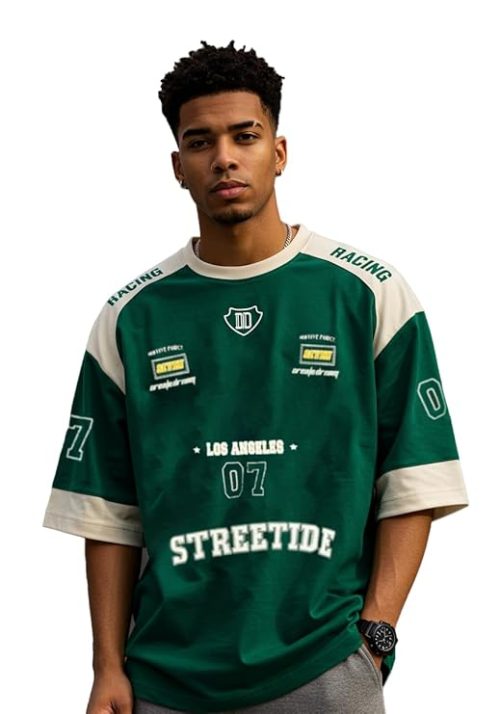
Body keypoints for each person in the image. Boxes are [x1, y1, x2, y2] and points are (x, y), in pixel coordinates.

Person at [42, 40, 469, 714]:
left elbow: (417, 477)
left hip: (324, 665)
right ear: (177, 166)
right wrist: (106, 667)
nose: (224, 158)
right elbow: (108, 511)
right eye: (200, 141)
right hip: (166, 678)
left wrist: (375, 636)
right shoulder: (131, 317)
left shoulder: (369, 293)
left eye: (245, 136)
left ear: (279, 151)